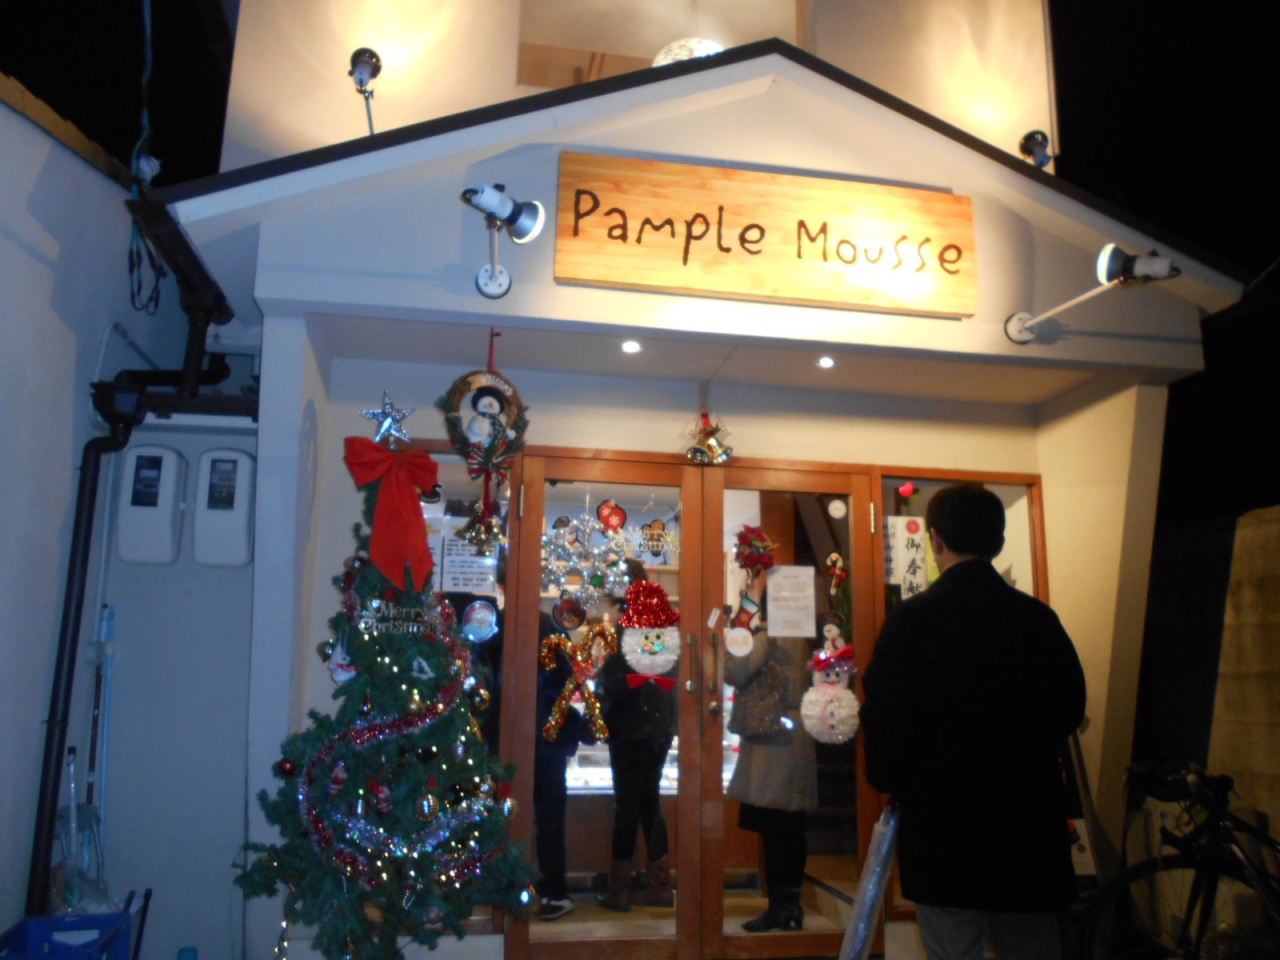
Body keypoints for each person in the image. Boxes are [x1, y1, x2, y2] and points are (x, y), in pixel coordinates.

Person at [860, 483, 1086, 960]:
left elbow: (884, 714)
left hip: (943, 830)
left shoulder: (911, 621)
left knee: (952, 950)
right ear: (998, 542)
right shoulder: (1037, 619)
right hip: (1027, 829)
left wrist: (892, 778)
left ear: (936, 540)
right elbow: (1069, 708)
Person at [724, 569, 818, 932]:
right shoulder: (809, 636)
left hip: (773, 739)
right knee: (791, 828)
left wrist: (741, 626)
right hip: (796, 732)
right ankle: (790, 906)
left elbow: (735, 670)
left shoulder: (771, 635)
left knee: (775, 828)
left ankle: (781, 907)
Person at [595, 563, 679, 912]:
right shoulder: (662, 621)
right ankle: (659, 886)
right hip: (659, 726)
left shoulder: (630, 624)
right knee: (649, 803)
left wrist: (600, 677)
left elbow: (618, 679)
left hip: (629, 727)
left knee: (627, 806)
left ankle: (620, 890)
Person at [534, 611, 588, 920]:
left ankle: (504, 891)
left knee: (507, 817)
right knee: (550, 823)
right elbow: (569, 684)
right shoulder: (554, 632)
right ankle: (552, 893)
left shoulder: (499, 626)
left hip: (508, 739)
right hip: (549, 743)